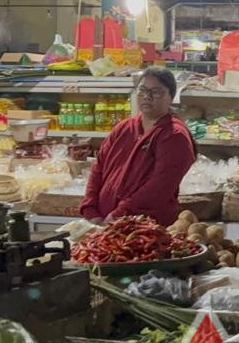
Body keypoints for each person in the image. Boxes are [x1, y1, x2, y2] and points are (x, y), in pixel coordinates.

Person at [81, 67, 195, 227]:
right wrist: (91, 209)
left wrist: (120, 213)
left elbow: (161, 185)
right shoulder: (123, 128)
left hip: (145, 228)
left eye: (156, 92)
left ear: (171, 97)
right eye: (142, 90)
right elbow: (98, 167)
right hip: (104, 223)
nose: (147, 97)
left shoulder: (174, 135)